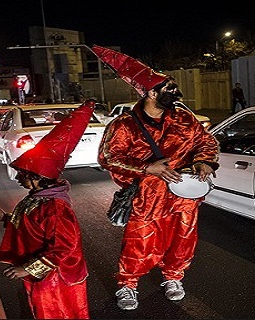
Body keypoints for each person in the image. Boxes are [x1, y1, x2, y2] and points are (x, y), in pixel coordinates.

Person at [92, 45, 220, 311]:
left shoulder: (184, 117)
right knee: (139, 242)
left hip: (185, 196)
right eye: (170, 89)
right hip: (147, 197)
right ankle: (128, 284)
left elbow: (206, 142)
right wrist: (147, 168)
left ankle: (174, 278)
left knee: (183, 240)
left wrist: (204, 161)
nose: (177, 93)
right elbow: (108, 158)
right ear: (151, 92)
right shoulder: (123, 124)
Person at [0, 100, 96, 319]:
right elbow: (33, 227)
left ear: (39, 178)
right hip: (45, 274)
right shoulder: (38, 199)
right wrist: (6, 218)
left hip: (56, 277)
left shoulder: (55, 208)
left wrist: (29, 268)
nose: (18, 178)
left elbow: (63, 248)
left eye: (23, 175)